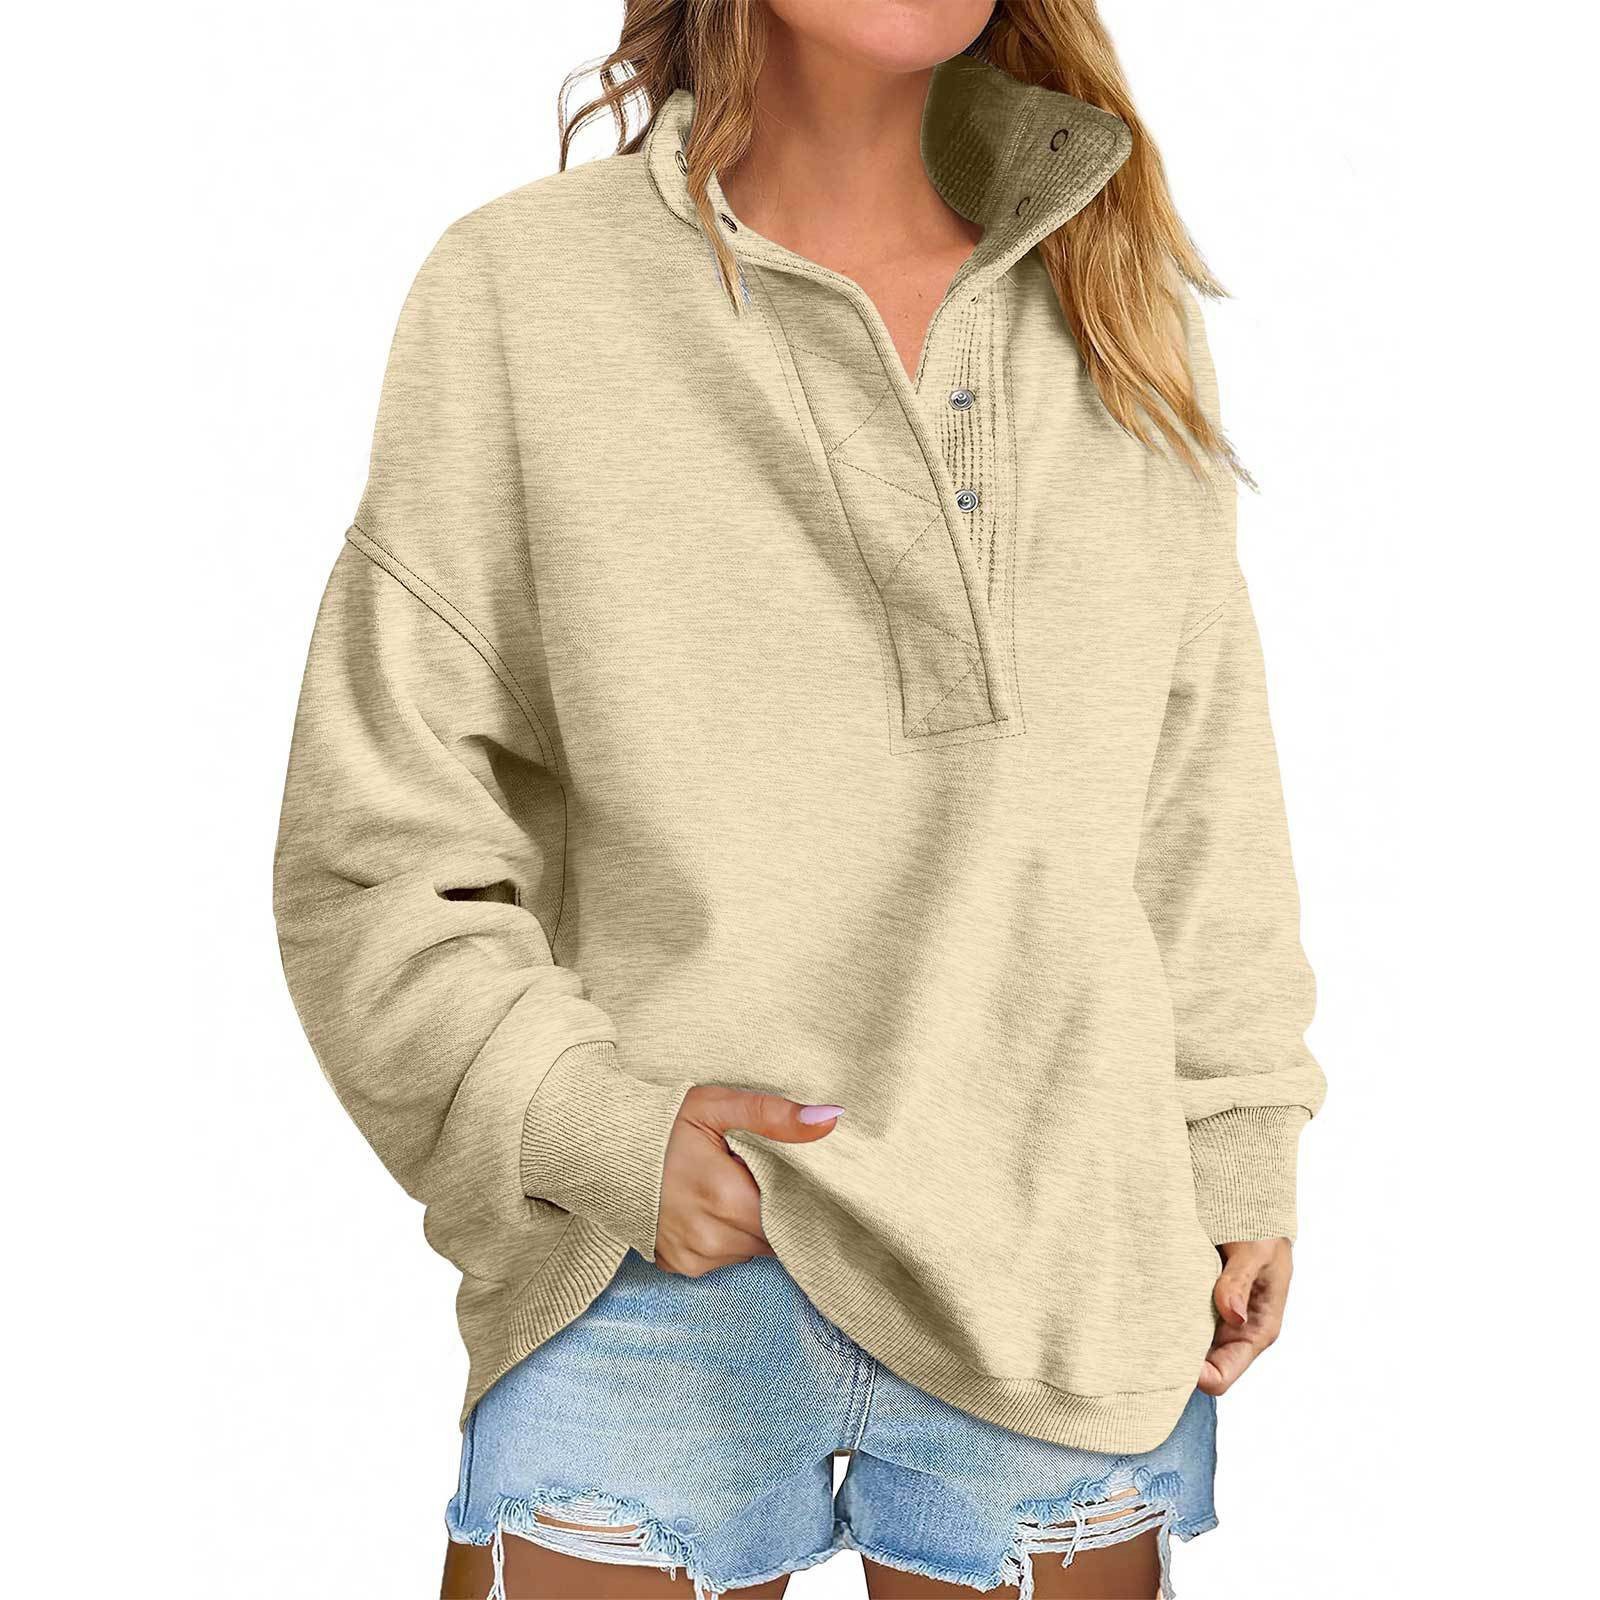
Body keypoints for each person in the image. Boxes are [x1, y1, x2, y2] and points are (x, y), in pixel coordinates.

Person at [273, 3, 1326, 1596]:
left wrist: (1237, 1142)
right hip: (650, 1276)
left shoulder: (1114, 295)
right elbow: (377, 850)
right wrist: (584, 1125)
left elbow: (1198, 797)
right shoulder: (521, 294)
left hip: (1063, 1257)